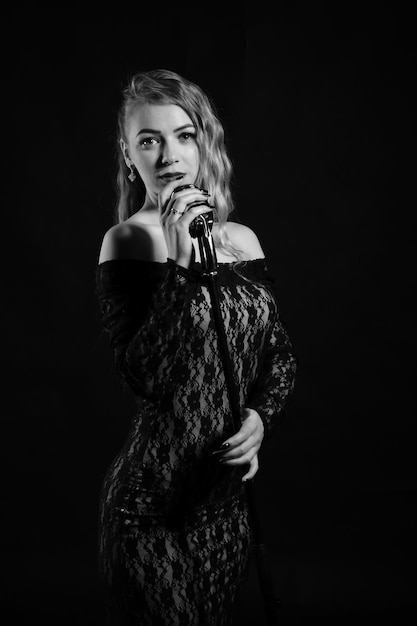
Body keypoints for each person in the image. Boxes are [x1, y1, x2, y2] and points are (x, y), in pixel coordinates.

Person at [95, 68, 297, 626]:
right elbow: (148, 378)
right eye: (149, 140)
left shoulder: (241, 240)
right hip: (151, 510)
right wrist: (182, 267)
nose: (168, 156)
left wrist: (259, 417)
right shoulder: (129, 240)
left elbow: (277, 358)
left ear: (203, 141)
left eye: (183, 135)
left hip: (223, 510)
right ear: (129, 153)